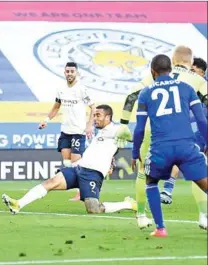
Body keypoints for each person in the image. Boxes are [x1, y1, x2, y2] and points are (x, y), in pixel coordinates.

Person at [115, 46, 208, 229]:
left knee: (144, 174)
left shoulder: (153, 76)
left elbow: (132, 95)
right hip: (181, 132)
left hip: (154, 130)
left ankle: (142, 215)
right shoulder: (197, 80)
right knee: (198, 173)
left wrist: (124, 124)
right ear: (190, 63)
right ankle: (203, 215)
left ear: (172, 61)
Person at [3, 105, 136, 215]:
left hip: (92, 174)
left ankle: (128, 204)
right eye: (94, 115)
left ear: (108, 117)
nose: (95, 118)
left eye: (98, 116)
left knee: (93, 209)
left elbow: (134, 138)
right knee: (52, 182)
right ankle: (18, 204)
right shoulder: (100, 131)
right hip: (79, 168)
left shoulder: (117, 129)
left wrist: (129, 137)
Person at [38, 61, 96, 202]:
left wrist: (89, 126)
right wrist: (46, 119)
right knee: (67, 162)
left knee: (76, 163)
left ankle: (82, 191)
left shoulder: (82, 89)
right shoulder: (60, 89)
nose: (69, 74)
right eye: (67, 71)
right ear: (64, 73)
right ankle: (77, 188)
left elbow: (93, 107)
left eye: (72, 71)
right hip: (65, 131)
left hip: (78, 131)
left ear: (77, 73)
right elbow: (56, 107)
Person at [161, 57, 207, 204]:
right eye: (190, 70)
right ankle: (168, 189)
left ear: (202, 73)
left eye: (194, 71)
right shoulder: (187, 87)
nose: (191, 73)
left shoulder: (202, 86)